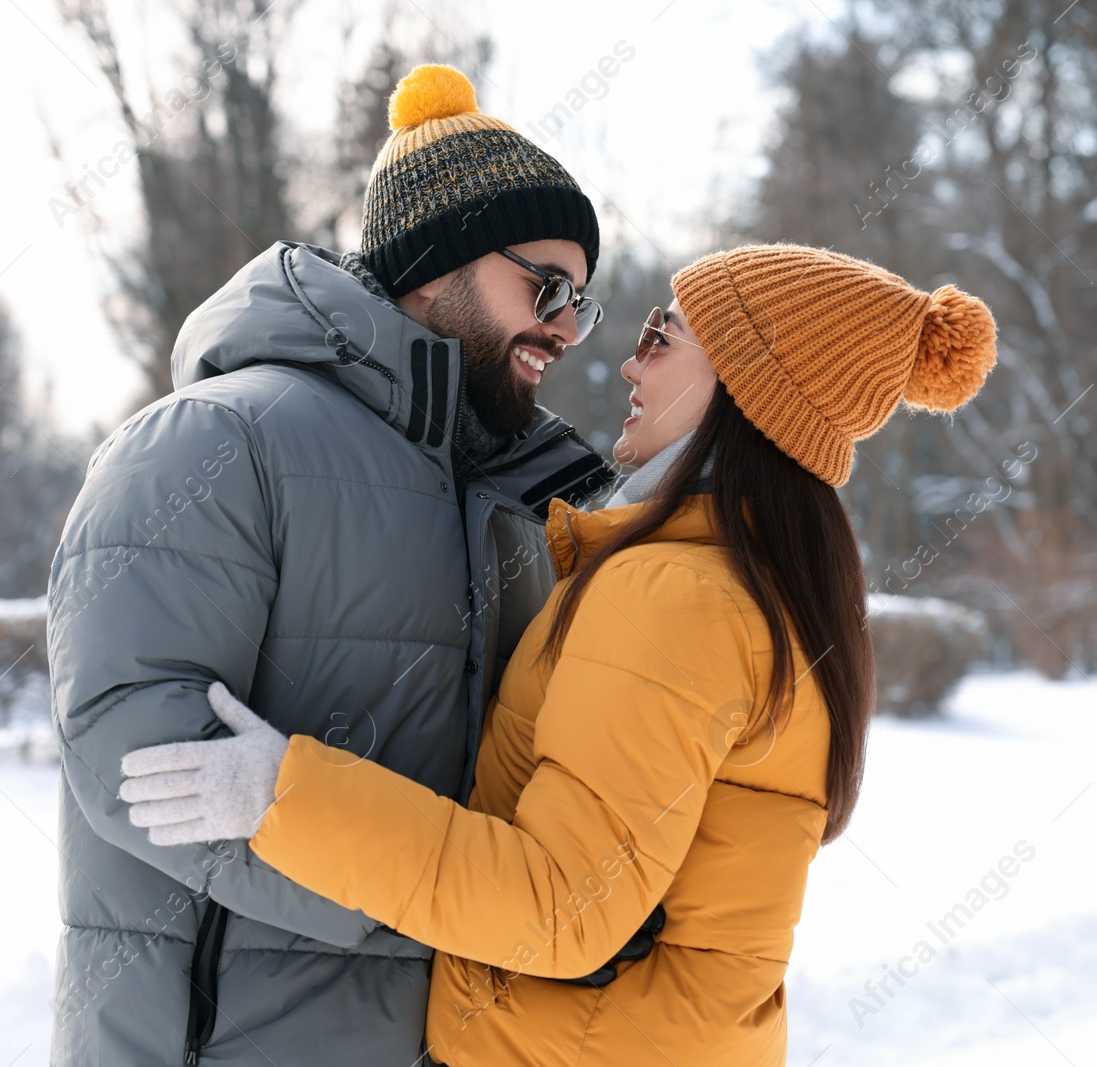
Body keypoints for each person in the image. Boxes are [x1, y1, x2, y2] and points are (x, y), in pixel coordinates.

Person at [119, 243, 999, 1065]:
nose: (629, 361)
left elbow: (561, 904)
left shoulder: (675, 598)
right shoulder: (752, 584)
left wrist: (287, 794)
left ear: (742, 384)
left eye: (663, 336)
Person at [45, 64, 616, 1066]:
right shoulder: (213, 444)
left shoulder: (525, 499)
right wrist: (447, 907)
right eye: (547, 285)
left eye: (583, 300)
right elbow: (135, 756)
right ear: (435, 262)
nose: (568, 326)